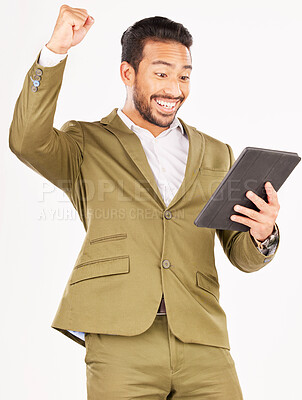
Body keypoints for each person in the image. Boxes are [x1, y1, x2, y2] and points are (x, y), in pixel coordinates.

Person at [9, 5, 280, 399]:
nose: (175, 89)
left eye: (184, 76)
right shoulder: (87, 143)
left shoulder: (217, 152)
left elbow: (240, 253)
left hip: (202, 340)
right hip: (121, 340)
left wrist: (263, 233)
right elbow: (26, 141)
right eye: (162, 74)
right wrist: (54, 53)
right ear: (127, 73)